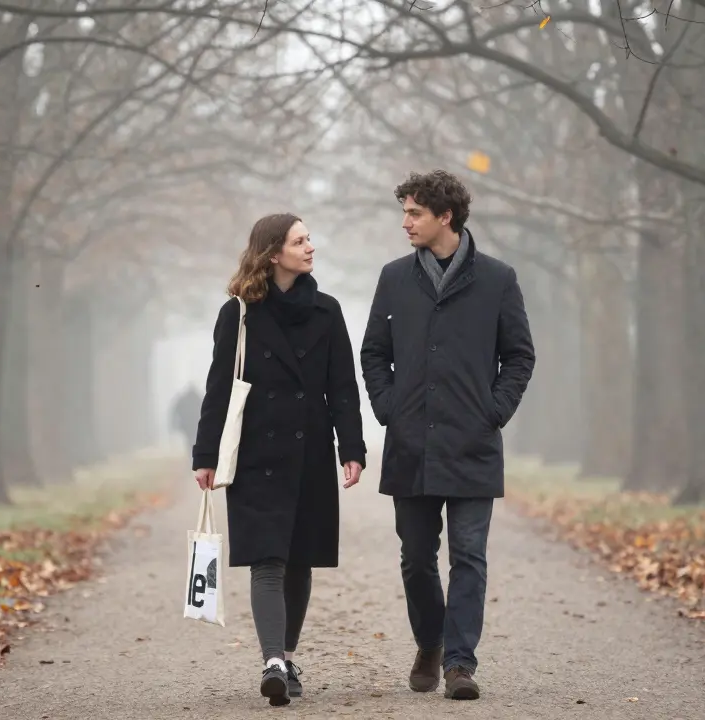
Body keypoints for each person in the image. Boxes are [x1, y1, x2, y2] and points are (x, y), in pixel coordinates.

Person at [360, 170, 536, 701]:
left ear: (446, 217)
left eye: (415, 213)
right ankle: (430, 642)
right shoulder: (393, 278)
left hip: (472, 443)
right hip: (410, 443)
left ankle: (460, 663)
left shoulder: (497, 279)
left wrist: (495, 410)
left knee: (469, 556)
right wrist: (390, 407)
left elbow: (520, 355)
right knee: (416, 557)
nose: (406, 222)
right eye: (405, 213)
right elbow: (373, 352)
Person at [192, 213, 367, 707]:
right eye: (299, 240)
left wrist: (351, 448)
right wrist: (205, 454)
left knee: (300, 560)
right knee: (267, 558)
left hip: (309, 452)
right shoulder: (239, 314)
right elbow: (219, 388)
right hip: (256, 455)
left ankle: (286, 654)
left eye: (309, 239)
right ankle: (273, 659)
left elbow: (343, 389)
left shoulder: (328, 312)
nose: (311, 247)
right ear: (274, 253)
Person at [170, 385, 202, 453]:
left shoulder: (184, 400)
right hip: (194, 425)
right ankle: (194, 453)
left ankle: (192, 453)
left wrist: (175, 424)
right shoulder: (197, 399)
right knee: (194, 440)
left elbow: (176, 411)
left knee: (190, 441)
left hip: (187, 426)